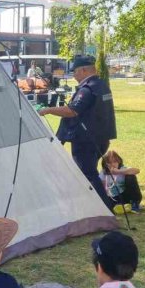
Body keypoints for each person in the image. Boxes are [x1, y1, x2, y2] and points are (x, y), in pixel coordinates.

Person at [38, 55, 117, 205]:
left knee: (87, 173)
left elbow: (72, 111)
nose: (74, 75)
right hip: (101, 137)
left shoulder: (87, 88)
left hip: (85, 139)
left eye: (75, 72)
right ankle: (91, 203)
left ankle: (105, 207)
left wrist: (48, 110)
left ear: (84, 70)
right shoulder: (101, 85)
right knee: (89, 171)